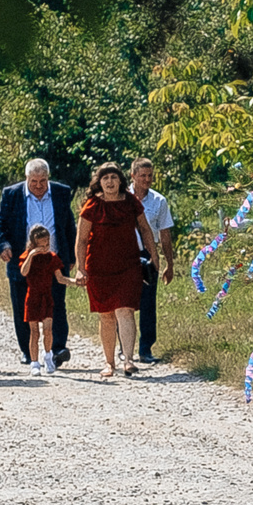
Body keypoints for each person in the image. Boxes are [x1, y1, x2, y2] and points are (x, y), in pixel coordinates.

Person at [75, 163, 155, 380]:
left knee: (125, 310)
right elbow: (81, 240)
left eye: (113, 177)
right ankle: (109, 362)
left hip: (128, 265)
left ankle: (128, 360)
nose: (110, 182)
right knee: (107, 315)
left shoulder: (131, 202)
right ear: (99, 182)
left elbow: (145, 229)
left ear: (121, 180)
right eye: (105, 178)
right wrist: (81, 269)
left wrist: (154, 255)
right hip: (99, 267)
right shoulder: (92, 205)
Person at [0, 158, 77, 368]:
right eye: (34, 181)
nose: (38, 185)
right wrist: (3, 245)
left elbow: (68, 224)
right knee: (23, 307)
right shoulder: (12, 194)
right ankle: (27, 351)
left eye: (42, 181)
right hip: (24, 262)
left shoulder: (60, 193)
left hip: (53, 260)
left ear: (48, 178)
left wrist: (72, 257)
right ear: (26, 179)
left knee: (57, 305)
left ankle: (58, 349)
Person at [130, 157, 177, 365]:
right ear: (133, 176)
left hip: (149, 254)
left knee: (148, 303)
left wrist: (169, 263)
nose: (147, 180)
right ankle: (125, 347)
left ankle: (146, 348)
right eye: (142, 176)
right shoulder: (121, 197)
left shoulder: (159, 201)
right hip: (125, 254)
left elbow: (165, 234)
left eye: (150, 176)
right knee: (124, 303)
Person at [16, 226, 73, 377]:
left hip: (47, 297)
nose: (45, 247)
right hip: (32, 297)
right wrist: (32, 254)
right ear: (34, 243)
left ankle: (48, 355)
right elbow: (23, 272)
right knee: (34, 332)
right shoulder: (27, 255)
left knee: (48, 329)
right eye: (41, 244)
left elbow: (60, 278)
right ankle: (34, 363)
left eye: (47, 243)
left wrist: (75, 282)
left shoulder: (52, 257)